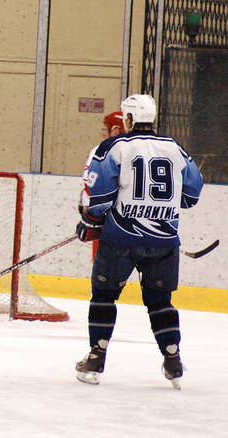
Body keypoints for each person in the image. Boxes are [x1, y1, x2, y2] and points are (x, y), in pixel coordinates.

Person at [74, 94, 204, 389]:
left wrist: (90, 221)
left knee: (104, 296)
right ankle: (172, 358)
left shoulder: (116, 146)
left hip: (120, 238)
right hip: (164, 240)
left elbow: (100, 195)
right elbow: (192, 191)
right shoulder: (175, 148)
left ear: (129, 119)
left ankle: (96, 357)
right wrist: (161, 209)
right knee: (160, 301)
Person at [80, 111, 127, 259]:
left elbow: (90, 187)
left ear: (115, 130)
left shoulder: (100, 151)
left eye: (105, 129)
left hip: (106, 224)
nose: (102, 133)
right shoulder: (142, 150)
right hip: (137, 224)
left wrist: (89, 214)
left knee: (104, 269)